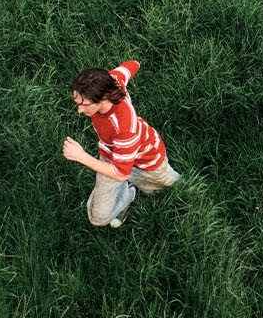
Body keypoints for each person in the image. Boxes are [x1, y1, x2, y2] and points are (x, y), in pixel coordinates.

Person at [63, 61, 181, 227]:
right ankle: (127, 195)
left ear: (103, 98)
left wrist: (81, 157)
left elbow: (120, 174)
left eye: (85, 105)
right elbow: (131, 66)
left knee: (172, 188)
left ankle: (174, 188)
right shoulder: (112, 81)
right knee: (98, 218)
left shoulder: (124, 129)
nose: (79, 110)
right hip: (112, 155)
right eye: (77, 102)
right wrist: (137, 63)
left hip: (146, 162)